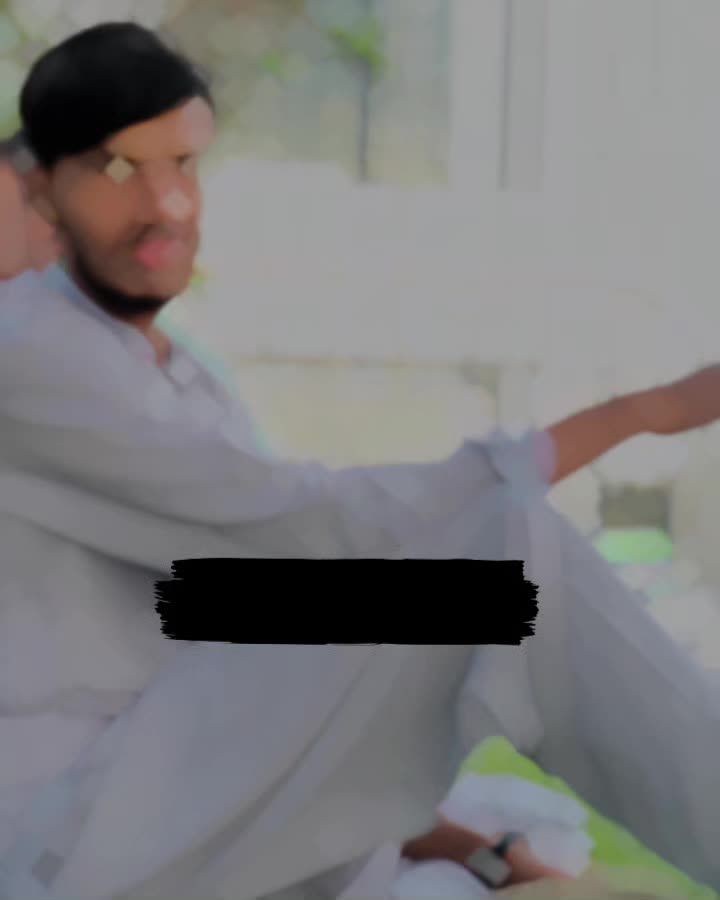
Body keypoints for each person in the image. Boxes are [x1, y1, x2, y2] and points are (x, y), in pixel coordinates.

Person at [0, 22, 719, 900]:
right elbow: (306, 528)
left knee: (500, 580)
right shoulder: (27, 354)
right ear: (44, 193)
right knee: (515, 554)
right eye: (118, 170)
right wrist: (636, 416)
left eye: (182, 164)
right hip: (76, 830)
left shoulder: (185, 379)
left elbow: (263, 599)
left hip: (180, 787)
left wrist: (472, 845)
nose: (168, 204)